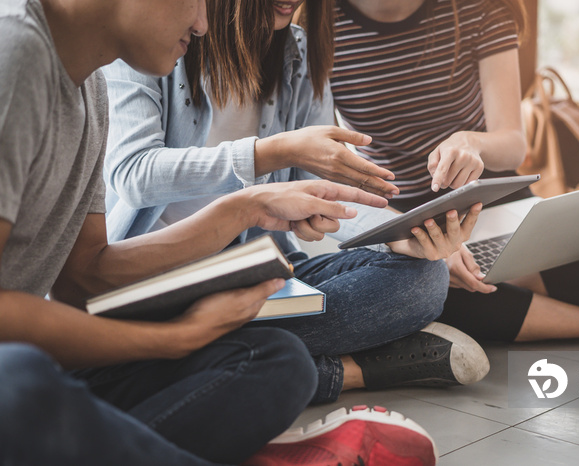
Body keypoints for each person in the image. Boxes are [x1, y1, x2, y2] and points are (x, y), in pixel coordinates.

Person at [0, 0, 438, 464]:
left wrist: (394, 231)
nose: (203, 22)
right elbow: (134, 175)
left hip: (85, 336)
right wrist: (174, 339)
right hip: (40, 354)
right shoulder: (19, 51)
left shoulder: (90, 87)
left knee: (281, 363)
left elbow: (83, 278)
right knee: (20, 375)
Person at [102, 0, 491, 405]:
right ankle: (337, 372)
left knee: (425, 279)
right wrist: (276, 151)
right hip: (160, 281)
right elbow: (134, 173)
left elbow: (321, 180)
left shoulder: (298, 51)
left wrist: (405, 233)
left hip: (257, 272)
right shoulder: (149, 42)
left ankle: (203, 359)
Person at [329, 0, 579, 347]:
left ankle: (496, 284)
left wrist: (470, 141)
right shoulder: (317, 24)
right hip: (407, 224)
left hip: (495, 202)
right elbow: (323, 161)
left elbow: (513, 144)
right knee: (419, 285)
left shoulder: (478, 9)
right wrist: (426, 252)